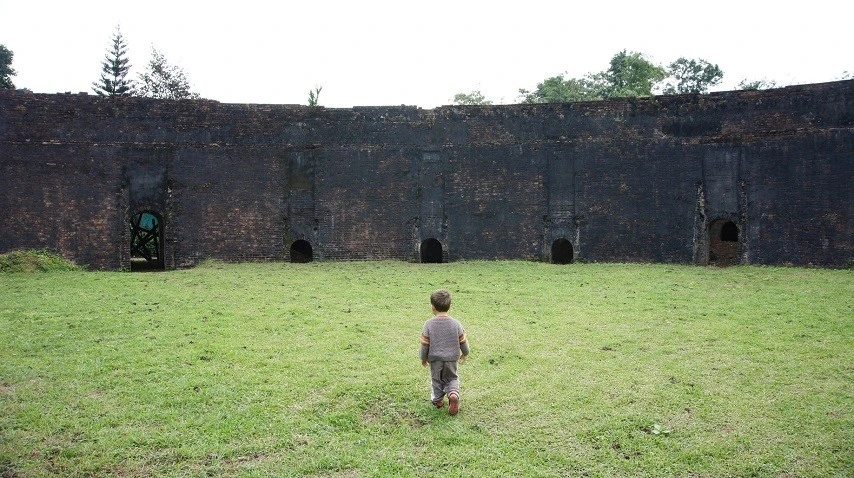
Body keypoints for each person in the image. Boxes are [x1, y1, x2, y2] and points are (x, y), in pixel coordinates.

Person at [419, 289, 470, 415]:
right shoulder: (456, 324)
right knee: (452, 378)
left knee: (436, 380)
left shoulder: (428, 325)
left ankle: (438, 401)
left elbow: (425, 344)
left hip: (435, 359)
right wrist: (465, 353)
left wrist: (423, 357)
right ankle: (453, 393)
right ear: (450, 307)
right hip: (452, 358)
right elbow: (463, 342)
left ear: (432, 308)